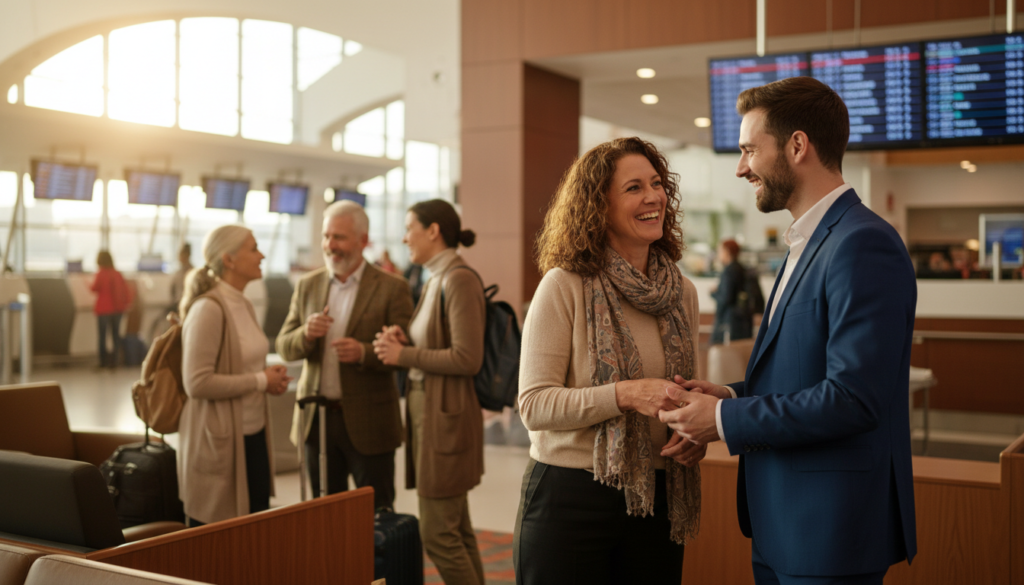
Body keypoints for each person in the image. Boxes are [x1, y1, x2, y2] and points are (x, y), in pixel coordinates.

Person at [660, 77, 917, 584]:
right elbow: (803, 376)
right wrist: (730, 395)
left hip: (828, 532)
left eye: (749, 150)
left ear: (798, 145)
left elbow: (853, 399)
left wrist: (728, 419)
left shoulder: (863, 244)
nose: (740, 167)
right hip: (787, 525)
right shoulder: (808, 242)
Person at [513, 137, 704, 585]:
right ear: (597, 206)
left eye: (657, 184)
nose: (653, 196)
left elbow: (682, 391)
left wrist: (693, 430)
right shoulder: (564, 285)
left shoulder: (682, 293)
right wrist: (626, 394)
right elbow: (534, 405)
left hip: (657, 496)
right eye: (634, 187)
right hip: (570, 495)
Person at [372, 199, 486, 585]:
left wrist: (404, 354)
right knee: (455, 529)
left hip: (445, 419)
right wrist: (405, 342)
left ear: (433, 231)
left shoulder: (457, 278)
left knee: (438, 534)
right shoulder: (436, 276)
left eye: (410, 228)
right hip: (432, 415)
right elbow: (437, 343)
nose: (405, 238)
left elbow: (467, 358)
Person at [275, 201, 414, 510]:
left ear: (363, 240)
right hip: (317, 420)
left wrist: (364, 352)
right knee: (324, 515)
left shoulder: (393, 288)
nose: (329, 246)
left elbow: (406, 351)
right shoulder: (308, 285)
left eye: (338, 237)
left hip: (371, 421)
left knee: (378, 515)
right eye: (326, 237)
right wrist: (306, 334)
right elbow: (284, 345)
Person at [177, 225, 291, 527]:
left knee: (253, 530)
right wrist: (259, 380)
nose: (262, 255)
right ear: (229, 259)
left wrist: (268, 378)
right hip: (220, 442)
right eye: (253, 248)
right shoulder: (208, 309)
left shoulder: (244, 304)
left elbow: (244, 365)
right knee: (220, 543)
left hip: (252, 433)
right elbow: (197, 382)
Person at [91, 250, 132, 368]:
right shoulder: (117, 274)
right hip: (118, 310)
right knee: (115, 336)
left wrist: (87, 284)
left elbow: (94, 288)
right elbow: (126, 290)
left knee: (102, 337)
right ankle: (115, 362)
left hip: (103, 310)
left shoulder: (100, 273)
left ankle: (102, 363)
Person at [710, 239, 753, 344]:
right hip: (743, 320)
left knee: (725, 355)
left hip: (729, 322)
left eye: (720, 251)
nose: (719, 254)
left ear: (727, 251)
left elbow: (726, 298)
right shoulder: (742, 269)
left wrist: (713, 293)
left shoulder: (729, 271)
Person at [170, 243, 193, 309]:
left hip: (189, 305)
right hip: (177, 304)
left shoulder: (192, 272)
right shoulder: (178, 273)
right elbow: (173, 290)